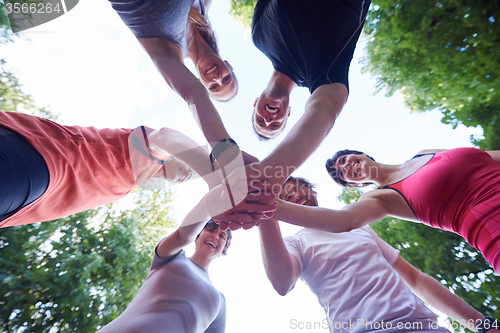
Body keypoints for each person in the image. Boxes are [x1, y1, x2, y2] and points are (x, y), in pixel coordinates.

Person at [259, 176, 500, 333]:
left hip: (425, 327)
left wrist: (483, 324)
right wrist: (263, 213)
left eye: (297, 189)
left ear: (310, 189)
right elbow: (282, 283)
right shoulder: (295, 242)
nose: (295, 196)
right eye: (286, 197)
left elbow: (415, 278)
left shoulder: (358, 227)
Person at [0, 111, 271, 228]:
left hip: (24, 204)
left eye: (187, 178)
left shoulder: (128, 184)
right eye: (190, 165)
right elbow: (167, 136)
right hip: (40, 158)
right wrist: (214, 178)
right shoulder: (145, 151)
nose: (188, 174)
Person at [241, 0, 369, 205]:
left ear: (256, 103)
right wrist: (272, 170)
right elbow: (324, 109)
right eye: (275, 125)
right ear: (288, 114)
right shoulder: (322, 75)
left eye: (260, 120)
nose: (268, 120)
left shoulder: (259, 38)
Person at [109, 0, 239, 147]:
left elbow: (192, 91)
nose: (217, 78)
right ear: (228, 66)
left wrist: (224, 148)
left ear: (201, 83)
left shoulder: (171, 53)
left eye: (214, 87)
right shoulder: (203, 7)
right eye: (226, 78)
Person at [97, 219, 231, 332]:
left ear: (224, 249)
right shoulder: (174, 255)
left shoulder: (220, 301)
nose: (215, 236)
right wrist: (211, 206)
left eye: (222, 236)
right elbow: (181, 235)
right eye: (210, 230)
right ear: (198, 235)